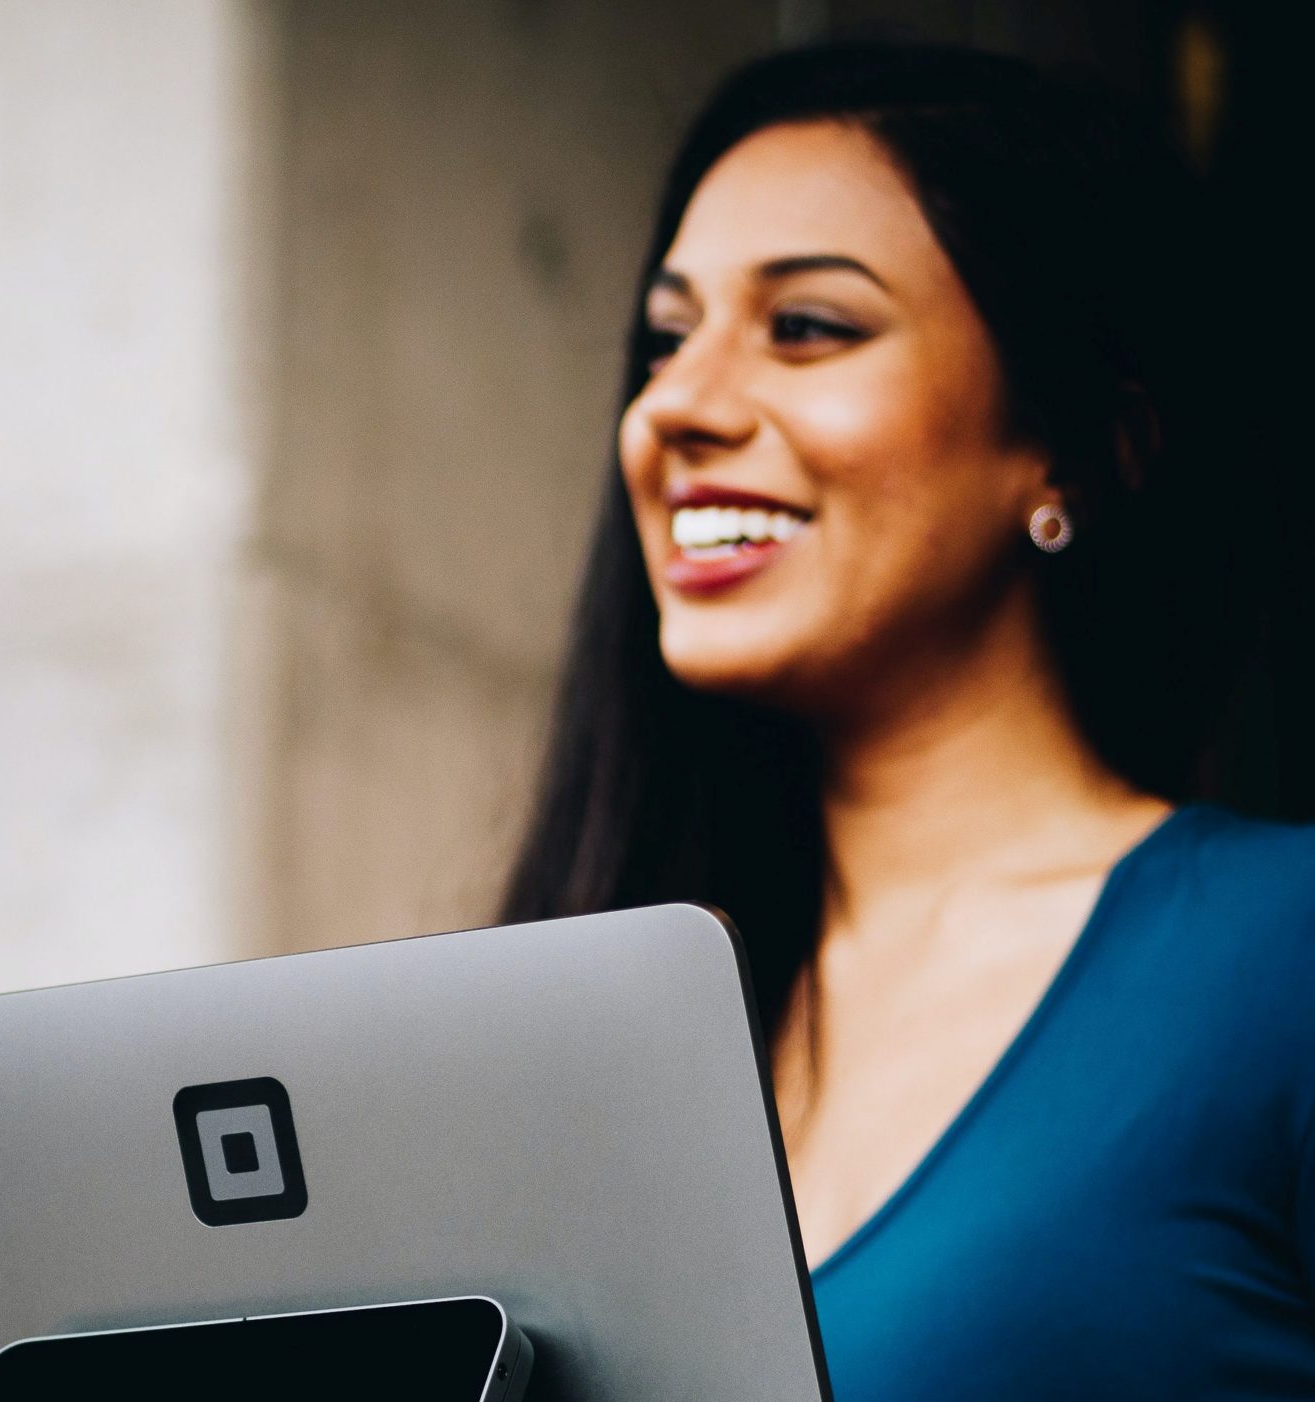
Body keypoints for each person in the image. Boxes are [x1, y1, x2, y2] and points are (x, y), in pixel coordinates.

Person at [501, 43, 1315, 1401]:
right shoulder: (564, 1030)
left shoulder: (1279, 956)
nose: (672, 409)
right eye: (666, 335)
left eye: (808, 326)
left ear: (1075, 443)